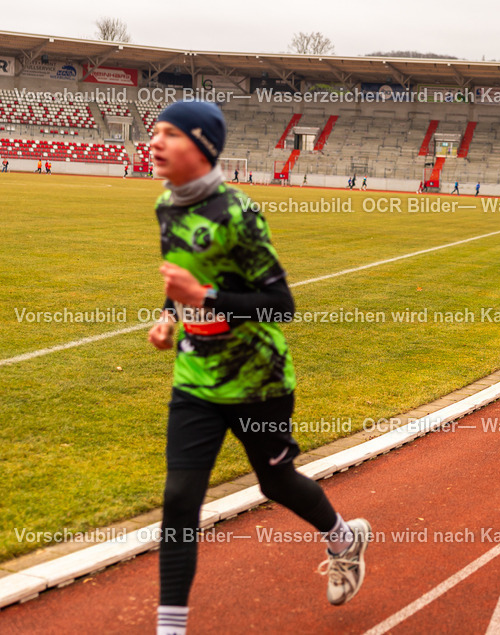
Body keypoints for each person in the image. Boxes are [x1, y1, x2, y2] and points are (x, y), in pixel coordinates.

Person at [146, 101, 370, 634]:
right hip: (196, 380)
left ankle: (344, 538)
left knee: (275, 483)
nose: (154, 142)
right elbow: (181, 277)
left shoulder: (238, 214)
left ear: (202, 146)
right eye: (153, 132)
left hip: (258, 383)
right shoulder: (166, 206)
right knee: (180, 499)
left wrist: (204, 296)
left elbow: (280, 305)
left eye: (169, 133)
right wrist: (168, 316)